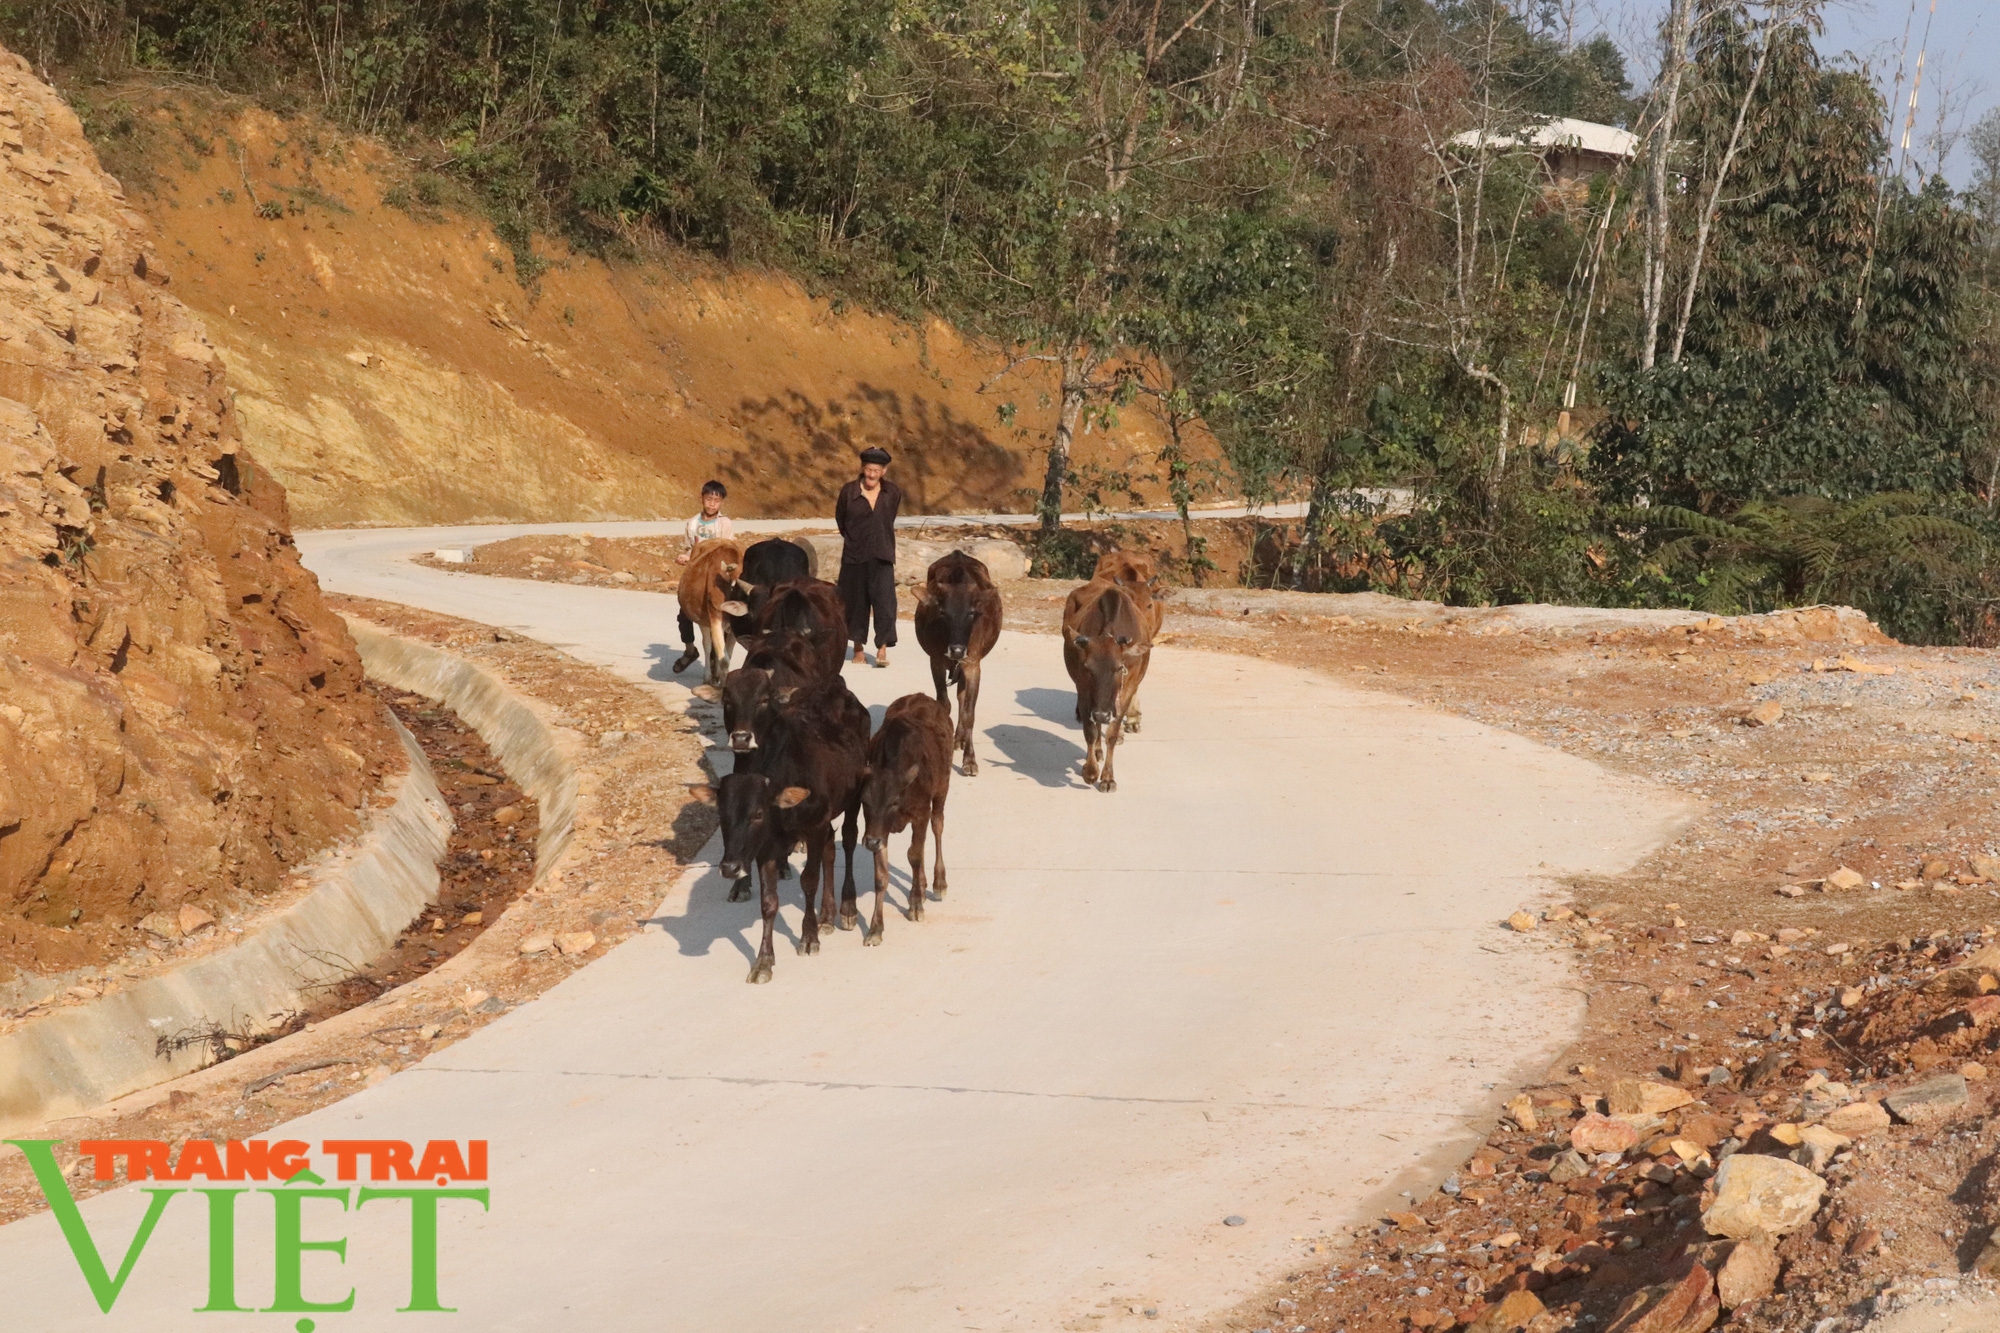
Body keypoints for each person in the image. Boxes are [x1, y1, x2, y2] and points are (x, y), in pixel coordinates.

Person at [835, 446, 903, 667]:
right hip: (854, 557)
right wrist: (857, 540)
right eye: (868, 469)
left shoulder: (892, 492)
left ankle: (882, 649)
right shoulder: (848, 491)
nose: (871, 474)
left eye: (876, 470)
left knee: (884, 603)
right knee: (855, 603)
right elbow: (841, 521)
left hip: (882, 555)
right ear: (862, 469)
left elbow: (889, 518)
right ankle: (858, 649)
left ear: (884, 471)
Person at [672, 480, 734, 673]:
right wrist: (685, 557)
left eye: (717, 500)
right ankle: (690, 650)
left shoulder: (724, 524)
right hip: (697, 576)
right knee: (685, 613)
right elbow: (689, 548)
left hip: (717, 577)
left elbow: (729, 549)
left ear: (721, 502)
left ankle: (718, 657)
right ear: (702, 499)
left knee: (721, 615)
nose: (712, 504)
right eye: (709, 499)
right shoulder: (692, 524)